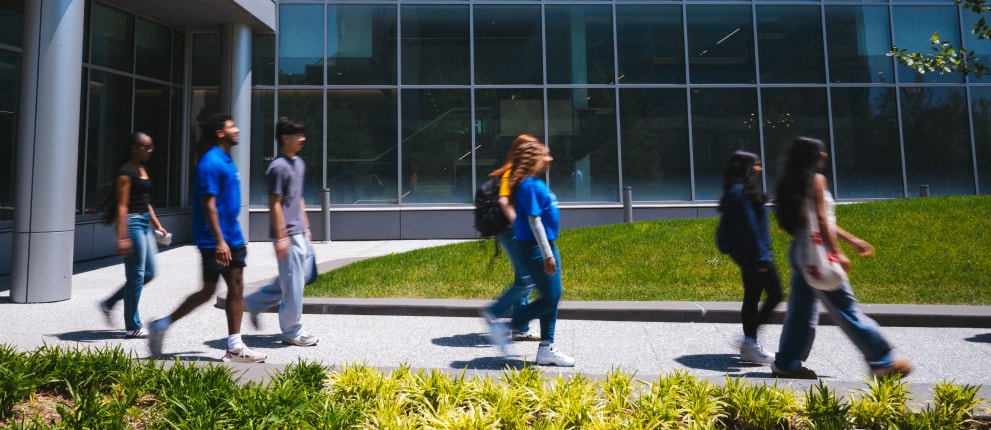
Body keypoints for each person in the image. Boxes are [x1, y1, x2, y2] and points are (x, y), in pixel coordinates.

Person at [770, 136, 912, 379]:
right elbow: (823, 220)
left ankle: (786, 363)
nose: (825, 155)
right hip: (817, 251)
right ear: (813, 156)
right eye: (821, 152)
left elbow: (815, 221)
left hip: (802, 251)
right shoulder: (816, 180)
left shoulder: (793, 182)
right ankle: (882, 361)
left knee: (801, 310)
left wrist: (852, 240)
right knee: (844, 306)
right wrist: (836, 252)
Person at [148, 114, 267, 363]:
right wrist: (219, 241)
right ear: (220, 133)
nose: (237, 129)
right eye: (231, 126)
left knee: (210, 290)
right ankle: (234, 347)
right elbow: (208, 204)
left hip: (228, 235)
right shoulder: (211, 162)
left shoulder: (225, 160)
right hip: (219, 239)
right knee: (232, 287)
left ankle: (162, 325)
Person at [491, 141, 575, 367]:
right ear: (533, 159)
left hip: (545, 246)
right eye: (545, 155)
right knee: (551, 297)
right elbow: (534, 220)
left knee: (551, 297)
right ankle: (508, 326)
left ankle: (547, 347)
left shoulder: (534, 183)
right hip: (537, 248)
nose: (550, 159)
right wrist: (547, 254)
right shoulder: (529, 185)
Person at [245, 117, 319, 347]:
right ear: (285, 137)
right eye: (298, 135)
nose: (302, 139)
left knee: (305, 276)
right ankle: (292, 331)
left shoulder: (298, 163)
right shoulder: (278, 167)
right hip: (287, 233)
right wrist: (281, 237)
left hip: (299, 232)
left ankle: (255, 302)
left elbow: (299, 197)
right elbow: (275, 203)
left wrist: (306, 226)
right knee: (294, 283)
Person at [98, 132, 167, 339]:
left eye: (151, 147)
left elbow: (144, 200)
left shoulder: (141, 169)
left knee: (149, 273)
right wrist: (122, 237)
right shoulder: (125, 173)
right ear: (134, 148)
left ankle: (109, 302)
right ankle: (132, 325)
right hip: (132, 223)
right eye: (146, 147)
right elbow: (121, 206)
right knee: (136, 274)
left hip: (144, 222)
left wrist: (158, 224)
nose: (150, 151)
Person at [716, 150, 783, 364]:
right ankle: (749, 342)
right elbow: (749, 228)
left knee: (753, 296)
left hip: (749, 255)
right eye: (756, 164)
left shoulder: (737, 190)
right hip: (755, 256)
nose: (759, 168)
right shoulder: (740, 192)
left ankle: (749, 343)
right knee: (775, 294)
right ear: (746, 167)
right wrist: (761, 258)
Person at [480, 134, 539, 345]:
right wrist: (518, 223)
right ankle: (493, 311)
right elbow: (504, 201)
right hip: (511, 233)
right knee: (528, 278)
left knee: (523, 278)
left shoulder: (520, 173)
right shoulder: (511, 173)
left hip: (513, 233)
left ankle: (521, 328)